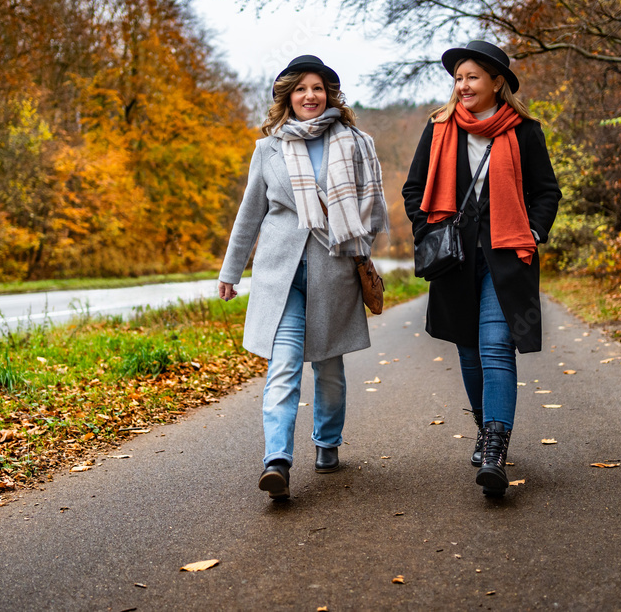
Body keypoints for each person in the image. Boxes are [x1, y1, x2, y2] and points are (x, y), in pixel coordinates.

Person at [219, 55, 388, 501]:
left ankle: (327, 441)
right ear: (287, 97)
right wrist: (230, 270)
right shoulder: (268, 148)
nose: (310, 96)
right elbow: (249, 213)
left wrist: (355, 241)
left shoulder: (354, 143)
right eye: (301, 89)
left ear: (329, 94)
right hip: (282, 276)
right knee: (284, 367)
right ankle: (277, 461)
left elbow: (373, 211)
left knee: (329, 366)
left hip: (333, 273)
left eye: (318, 88)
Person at [402, 40, 561, 498]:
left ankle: (494, 451)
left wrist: (532, 231)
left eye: (472, 77)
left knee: (495, 348)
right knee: (468, 351)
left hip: (506, 258)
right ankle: (483, 428)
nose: (463, 85)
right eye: (458, 78)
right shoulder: (438, 130)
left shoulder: (524, 132)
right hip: (454, 259)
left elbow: (547, 192)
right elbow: (415, 190)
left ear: (497, 82)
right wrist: (427, 230)